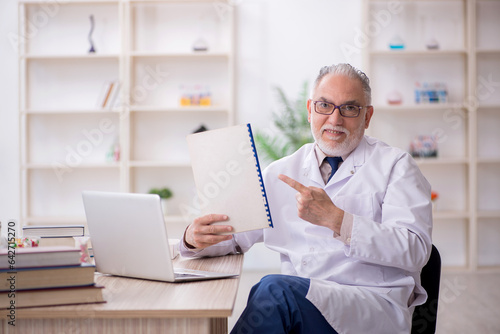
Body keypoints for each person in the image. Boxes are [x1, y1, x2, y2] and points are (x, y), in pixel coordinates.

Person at [180, 63, 433, 334]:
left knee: (273, 291)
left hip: (370, 305)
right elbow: (233, 235)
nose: (335, 120)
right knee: (276, 295)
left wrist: (339, 221)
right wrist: (193, 239)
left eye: (349, 108)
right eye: (325, 106)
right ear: (310, 110)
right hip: (301, 305)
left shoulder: (396, 166)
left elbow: (417, 250)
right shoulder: (281, 172)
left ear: (367, 116)